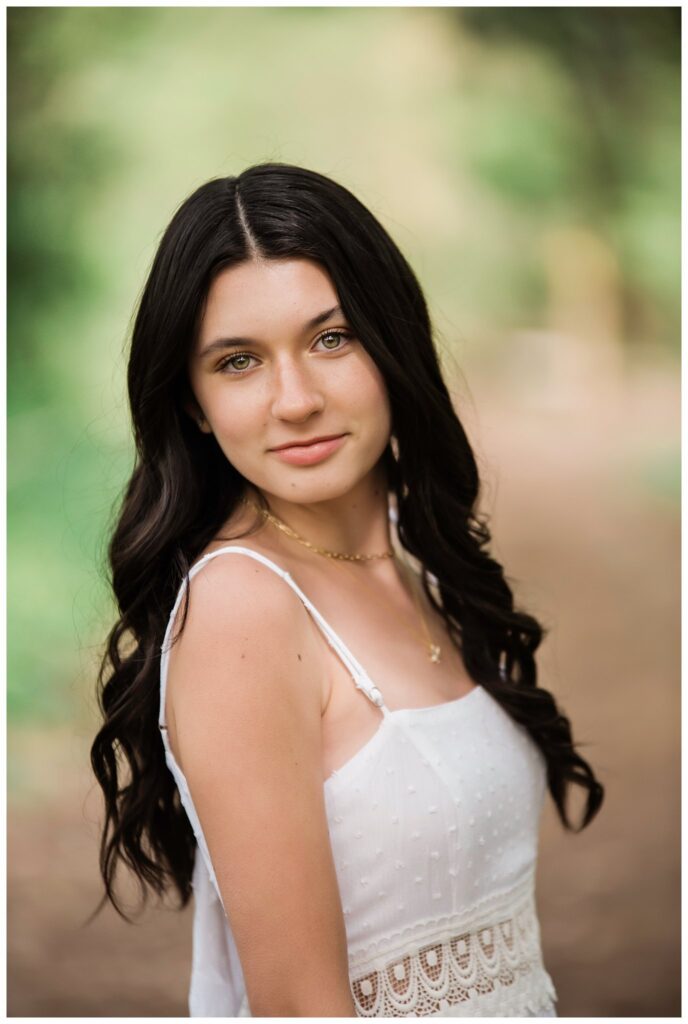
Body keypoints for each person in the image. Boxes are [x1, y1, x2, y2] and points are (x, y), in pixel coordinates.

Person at [90, 163, 605, 1017]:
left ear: (390, 339)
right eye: (239, 361)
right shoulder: (241, 611)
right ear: (192, 401)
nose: (296, 400)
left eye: (331, 339)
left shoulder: (416, 563)